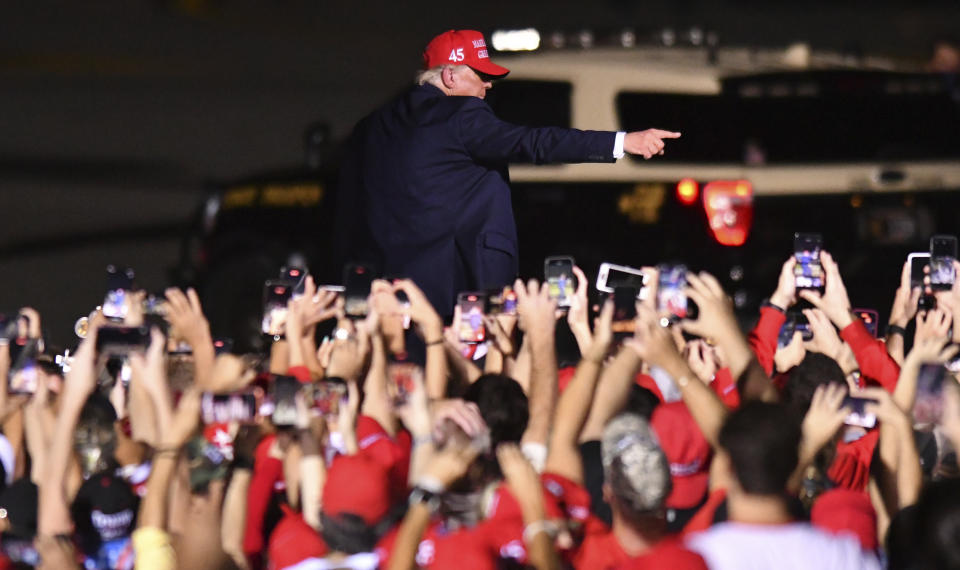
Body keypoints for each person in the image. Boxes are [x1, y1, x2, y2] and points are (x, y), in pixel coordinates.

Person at [335, 29, 680, 316]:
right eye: (480, 75)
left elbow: (350, 200)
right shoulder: (462, 114)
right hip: (460, 289)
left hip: (383, 285)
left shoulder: (374, 124)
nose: (488, 86)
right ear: (450, 75)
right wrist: (622, 141)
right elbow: (533, 142)